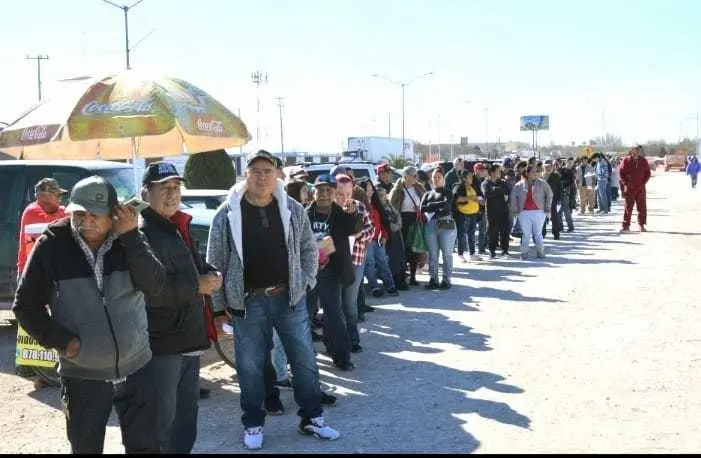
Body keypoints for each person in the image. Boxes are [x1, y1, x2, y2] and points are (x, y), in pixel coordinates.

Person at [13, 176, 166, 453]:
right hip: (83, 376)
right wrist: (61, 341)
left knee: (146, 447)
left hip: (137, 368)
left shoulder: (128, 239)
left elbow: (155, 286)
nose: (86, 221)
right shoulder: (52, 245)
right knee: (86, 449)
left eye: (95, 214)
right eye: (79, 213)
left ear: (114, 214)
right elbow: (25, 305)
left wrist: (131, 236)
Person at [206, 151, 340, 449]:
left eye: (268, 170)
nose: (262, 176)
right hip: (248, 302)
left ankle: (312, 418)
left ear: (278, 174)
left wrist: (306, 281)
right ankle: (253, 423)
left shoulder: (291, 209)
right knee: (250, 366)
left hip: (289, 298)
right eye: (255, 170)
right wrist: (218, 307)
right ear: (246, 174)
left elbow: (309, 249)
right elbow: (214, 263)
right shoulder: (228, 214)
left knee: (304, 361)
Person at [138, 162, 222, 453]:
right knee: (162, 423)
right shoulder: (140, 233)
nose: (172, 195)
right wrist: (197, 285)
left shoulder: (177, 226)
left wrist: (212, 274)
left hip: (189, 339)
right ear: (146, 192)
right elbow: (150, 290)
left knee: (186, 420)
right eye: (164, 188)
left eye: (176, 188)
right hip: (162, 346)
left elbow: (193, 268)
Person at [335, 174, 373, 354]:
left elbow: (370, 230)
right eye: (340, 194)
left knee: (349, 303)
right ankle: (336, 341)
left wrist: (358, 235)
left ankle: (353, 339)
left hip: (355, 261)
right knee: (334, 304)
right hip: (332, 264)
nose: (344, 198)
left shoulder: (359, 206)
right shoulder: (330, 209)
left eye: (348, 193)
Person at [16, 178, 68, 279]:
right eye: (57, 196)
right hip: (31, 273)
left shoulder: (56, 210)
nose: (60, 200)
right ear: (43, 197)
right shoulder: (33, 211)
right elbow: (58, 223)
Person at [420, 168, 457, 290]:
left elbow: (446, 205)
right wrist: (436, 206)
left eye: (439, 177)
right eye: (434, 177)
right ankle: (433, 279)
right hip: (431, 225)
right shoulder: (427, 194)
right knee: (432, 254)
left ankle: (446, 279)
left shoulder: (447, 192)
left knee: (447, 253)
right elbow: (422, 208)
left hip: (445, 224)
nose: (436, 179)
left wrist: (431, 206)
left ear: (443, 179)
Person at [389, 166, 426, 286]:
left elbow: (425, 201)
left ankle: (413, 277)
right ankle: (403, 275)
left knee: (415, 247)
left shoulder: (419, 187)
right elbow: (392, 206)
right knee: (404, 248)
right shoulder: (398, 189)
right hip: (403, 220)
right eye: (413, 175)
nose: (416, 177)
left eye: (416, 175)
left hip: (416, 219)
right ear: (406, 176)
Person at [362, 179, 398, 298]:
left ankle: (390, 285)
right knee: (370, 263)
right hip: (367, 240)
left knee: (383, 261)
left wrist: (385, 235)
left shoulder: (376, 204)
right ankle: (374, 287)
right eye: (367, 189)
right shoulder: (360, 205)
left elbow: (382, 223)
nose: (370, 191)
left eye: (371, 189)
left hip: (378, 239)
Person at [510, 165, 553, 259]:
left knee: (538, 233)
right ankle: (524, 253)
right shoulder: (519, 185)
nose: (535, 173)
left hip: (539, 212)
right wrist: (515, 210)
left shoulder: (542, 183)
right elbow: (513, 198)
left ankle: (541, 252)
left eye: (536, 171)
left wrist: (547, 207)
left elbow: (550, 194)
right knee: (526, 234)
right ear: (526, 173)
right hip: (524, 213)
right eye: (533, 172)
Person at [375, 183, 407, 291]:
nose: (382, 197)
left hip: (396, 236)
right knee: (391, 260)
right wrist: (393, 226)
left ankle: (401, 279)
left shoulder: (389, 205)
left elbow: (397, 215)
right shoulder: (376, 207)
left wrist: (399, 224)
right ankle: (394, 282)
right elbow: (382, 222)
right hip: (387, 237)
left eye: (384, 194)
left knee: (400, 258)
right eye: (379, 195)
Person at [619, 145, 651, 232]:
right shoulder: (626, 160)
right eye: (634, 149)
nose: (635, 151)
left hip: (640, 188)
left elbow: (648, 173)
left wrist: (643, 182)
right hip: (629, 188)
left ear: (639, 151)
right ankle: (626, 226)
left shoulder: (643, 161)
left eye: (637, 149)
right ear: (631, 150)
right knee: (628, 207)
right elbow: (621, 173)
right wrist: (625, 183)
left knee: (642, 207)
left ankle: (641, 225)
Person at [481, 164, 511, 259]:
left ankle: (505, 251)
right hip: (491, 211)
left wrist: (495, 190)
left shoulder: (502, 182)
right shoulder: (485, 183)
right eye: (498, 171)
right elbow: (487, 194)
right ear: (492, 172)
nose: (500, 173)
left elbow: (506, 190)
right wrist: (499, 191)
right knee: (492, 232)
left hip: (503, 210)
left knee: (505, 231)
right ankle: (492, 251)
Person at [453, 170, 481, 262]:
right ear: (464, 178)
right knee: (461, 234)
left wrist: (479, 201)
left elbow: (475, 198)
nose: (471, 178)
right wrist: (472, 198)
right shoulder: (459, 187)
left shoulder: (472, 187)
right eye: (469, 177)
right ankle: (460, 254)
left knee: (471, 234)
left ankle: (472, 253)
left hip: (473, 214)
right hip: (463, 214)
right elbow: (457, 199)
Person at [543, 161, 563, 240]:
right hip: (542, 200)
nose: (548, 169)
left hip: (553, 199)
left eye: (549, 167)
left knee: (554, 217)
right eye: (546, 168)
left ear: (552, 168)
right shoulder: (541, 176)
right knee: (542, 217)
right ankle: (542, 233)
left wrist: (559, 199)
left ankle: (556, 233)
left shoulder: (556, 176)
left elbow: (559, 188)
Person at [472, 163, 489, 255]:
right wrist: (479, 201)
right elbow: (472, 194)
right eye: (480, 169)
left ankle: (481, 248)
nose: (482, 171)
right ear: (476, 170)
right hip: (473, 207)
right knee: (472, 230)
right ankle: (472, 249)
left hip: (482, 208)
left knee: (482, 229)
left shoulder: (482, 180)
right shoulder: (472, 180)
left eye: (483, 169)